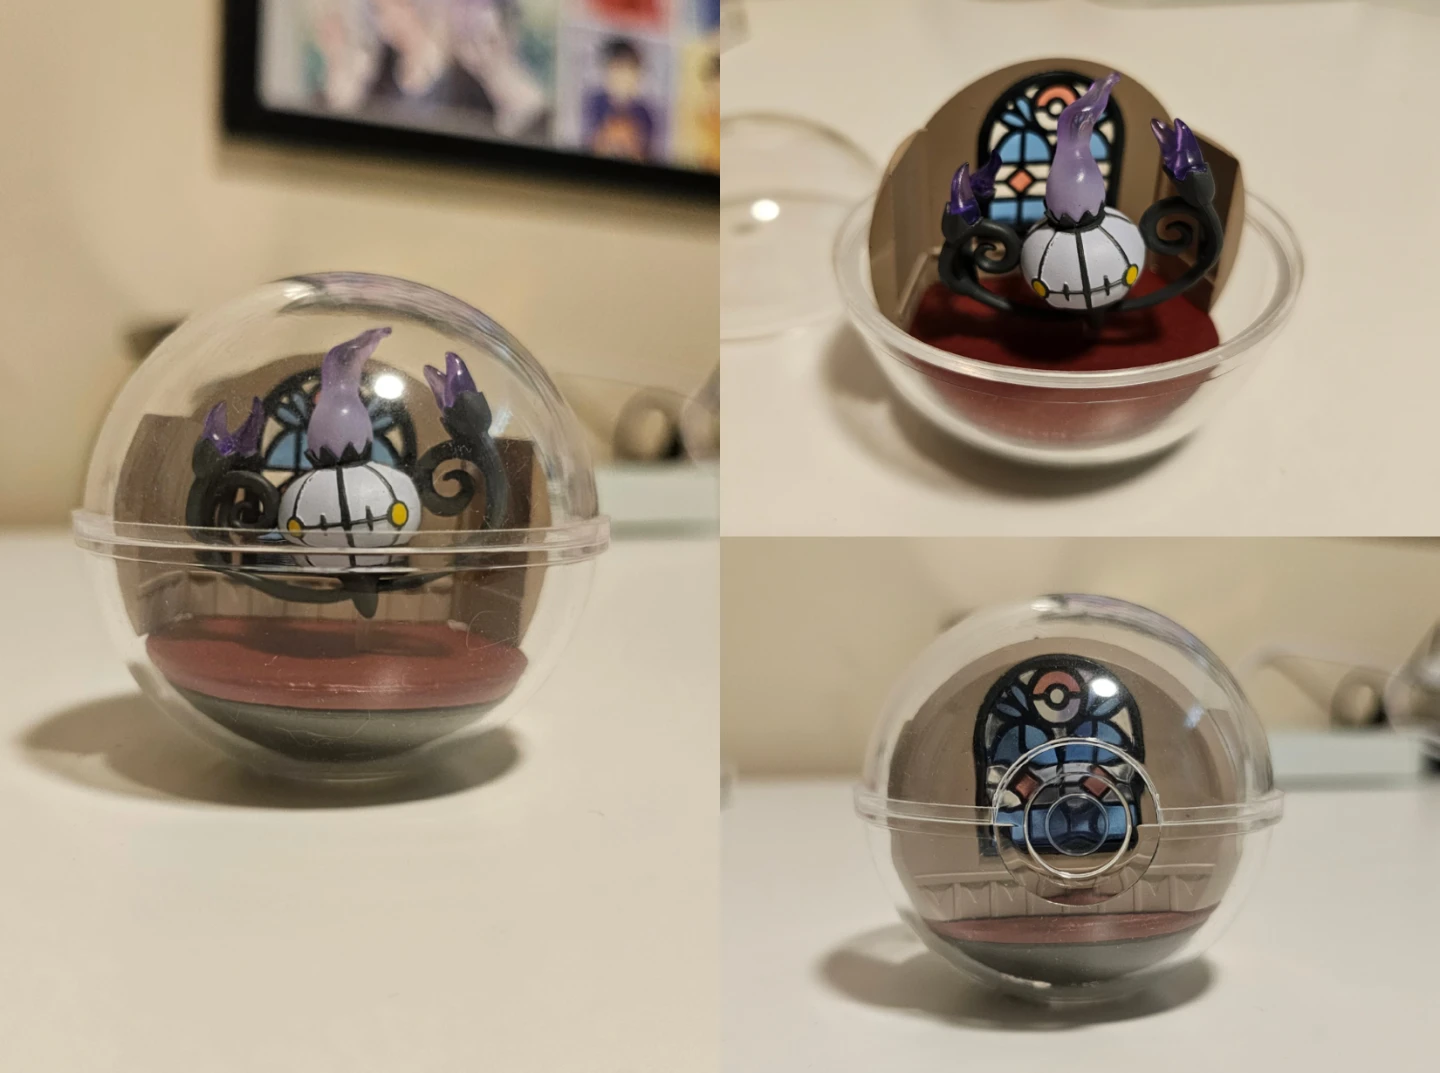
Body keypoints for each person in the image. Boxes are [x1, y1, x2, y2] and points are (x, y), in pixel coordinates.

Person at [583, 38, 656, 162]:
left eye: (629, 70)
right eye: (618, 70)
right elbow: (592, 143)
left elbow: (644, 154)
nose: (623, 78)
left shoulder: (645, 113)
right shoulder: (595, 104)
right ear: (606, 71)